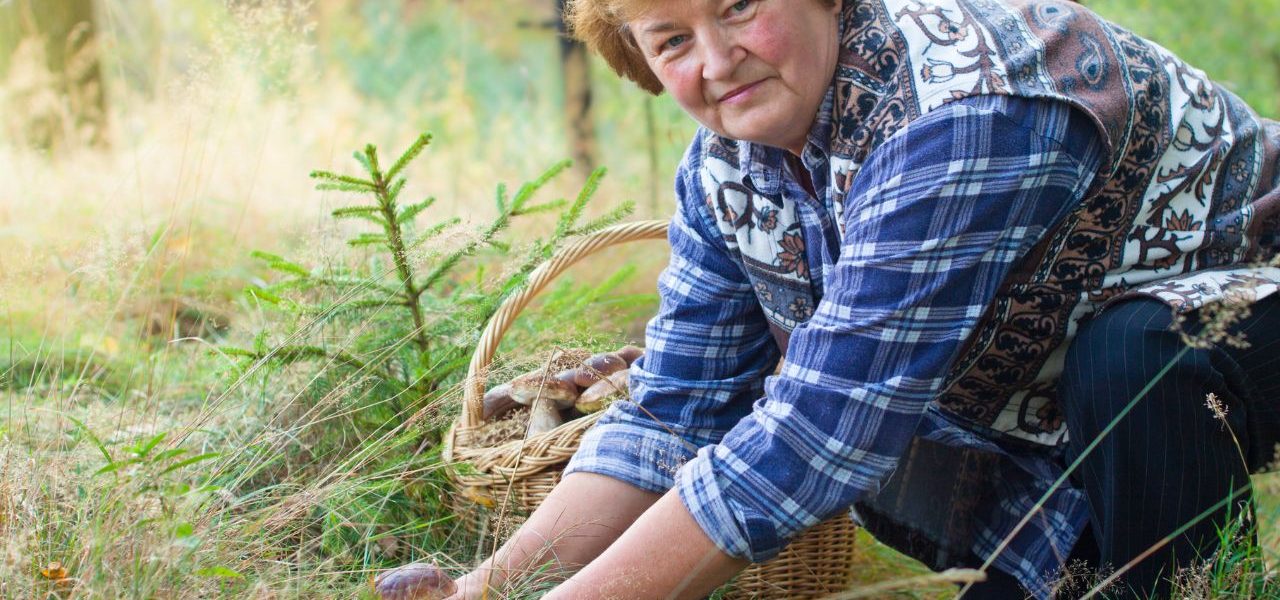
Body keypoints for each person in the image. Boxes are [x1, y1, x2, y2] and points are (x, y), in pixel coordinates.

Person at [435, 0, 1280, 598]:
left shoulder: (959, 106)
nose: (717, 59)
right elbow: (672, 414)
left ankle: (1188, 588)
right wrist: (483, 592)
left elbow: (822, 434)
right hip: (1069, 407)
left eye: (738, 5)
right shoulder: (724, 170)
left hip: (1248, 307)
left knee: (1135, 350)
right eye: (672, 39)